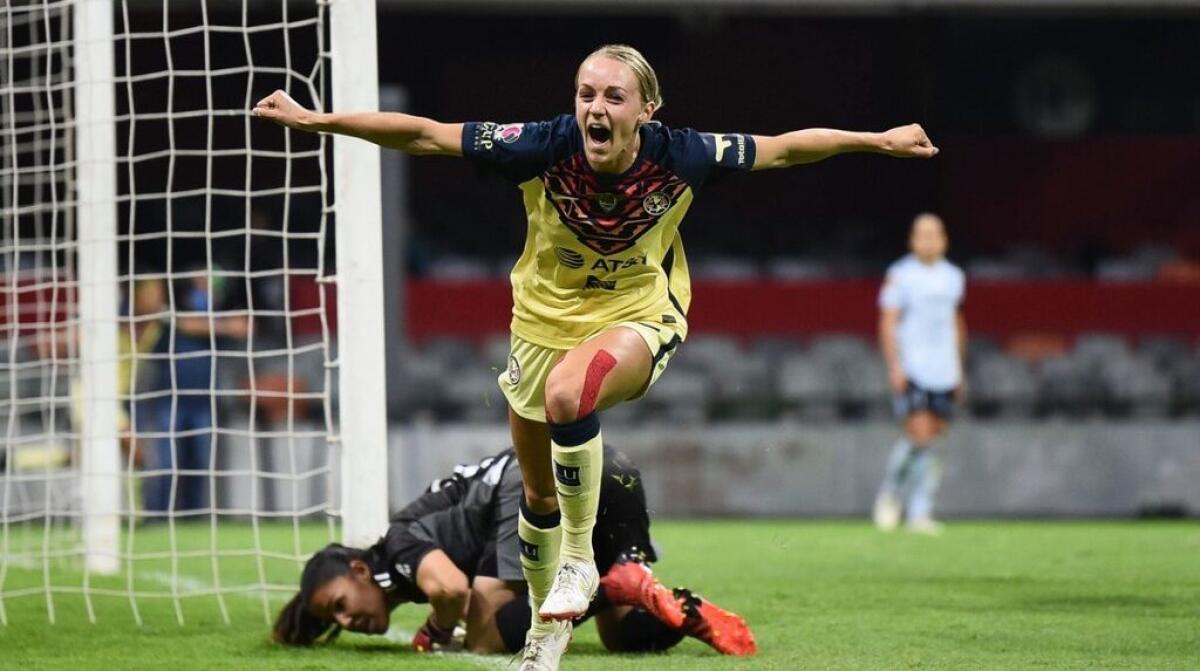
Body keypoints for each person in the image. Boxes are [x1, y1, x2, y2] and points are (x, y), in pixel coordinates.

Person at [254, 43, 937, 669]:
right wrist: (319, 122)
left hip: (638, 314)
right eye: (587, 94)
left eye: (613, 96)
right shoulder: (542, 145)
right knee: (535, 491)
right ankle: (550, 629)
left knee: (566, 396)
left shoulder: (684, 154)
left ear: (647, 109)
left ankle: (581, 563)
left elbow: (785, 149)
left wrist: (876, 140)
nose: (595, 108)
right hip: (540, 324)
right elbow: (427, 135)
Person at [272, 446, 756, 657]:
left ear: (360, 570)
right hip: (610, 468)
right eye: (334, 622)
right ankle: (678, 608)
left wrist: (440, 628)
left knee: (484, 634)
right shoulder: (402, 548)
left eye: (340, 605)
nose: (346, 621)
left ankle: (604, 584)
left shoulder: (398, 543)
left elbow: (450, 588)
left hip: (530, 482)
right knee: (623, 635)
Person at [873, 213, 966, 534]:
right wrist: (895, 365)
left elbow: (955, 323)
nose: (928, 240)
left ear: (944, 239)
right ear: (913, 239)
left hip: (944, 369)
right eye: (922, 234)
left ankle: (919, 511)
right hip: (914, 366)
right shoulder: (900, 275)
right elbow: (888, 322)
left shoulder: (954, 276)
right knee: (919, 433)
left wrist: (958, 368)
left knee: (932, 438)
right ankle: (892, 497)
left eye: (934, 234)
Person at [144, 267, 248, 517]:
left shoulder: (222, 310)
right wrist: (220, 326)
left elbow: (244, 328)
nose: (206, 287)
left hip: (204, 401)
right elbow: (186, 324)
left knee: (200, 464)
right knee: (168, 464)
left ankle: (193, 518)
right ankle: (158, 516)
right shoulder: (172, 313)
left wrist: (216, 325)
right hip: (170, 398)